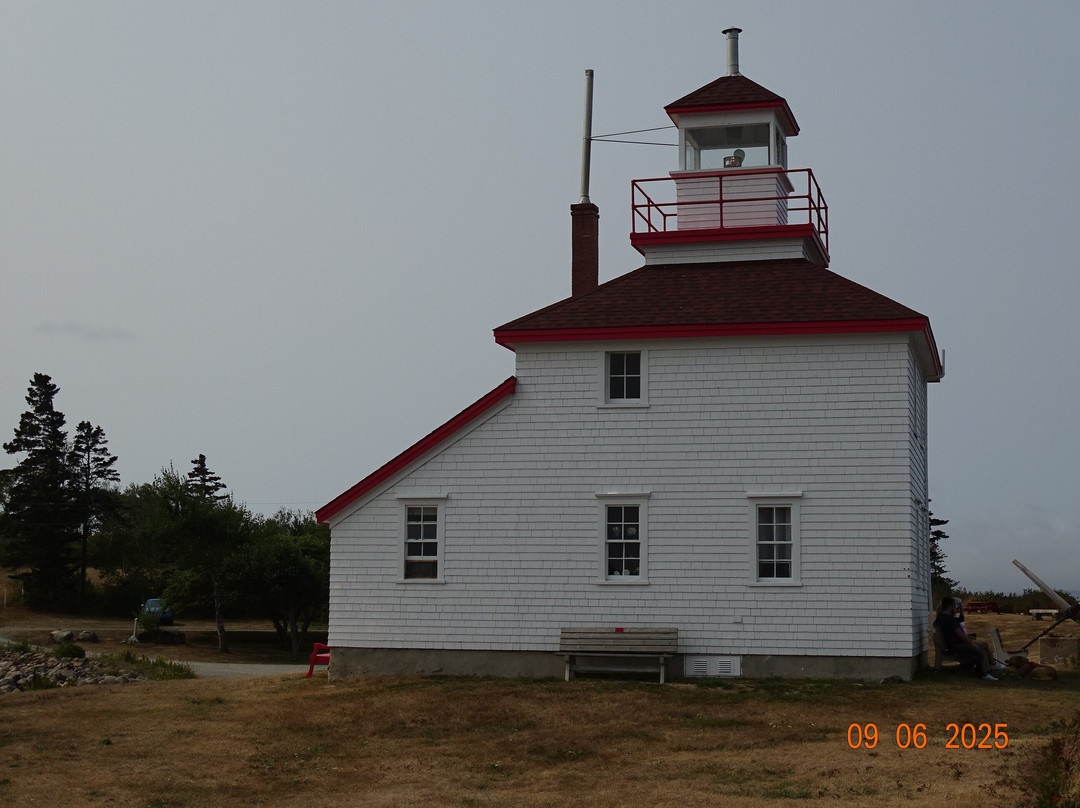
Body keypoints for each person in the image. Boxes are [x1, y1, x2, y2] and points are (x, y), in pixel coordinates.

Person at [934, 596, 1005, 681]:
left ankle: (986, 672)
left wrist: (968, 638)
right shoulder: (950, 619)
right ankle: (990, 667)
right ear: (950, 606)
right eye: (954, 606)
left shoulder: (941, 617)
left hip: (952, 644)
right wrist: (970, 643)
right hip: (957, 645)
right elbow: (960, 634)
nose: (955, 608)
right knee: (982, 647)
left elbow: (956, 626)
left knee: (982, 649)